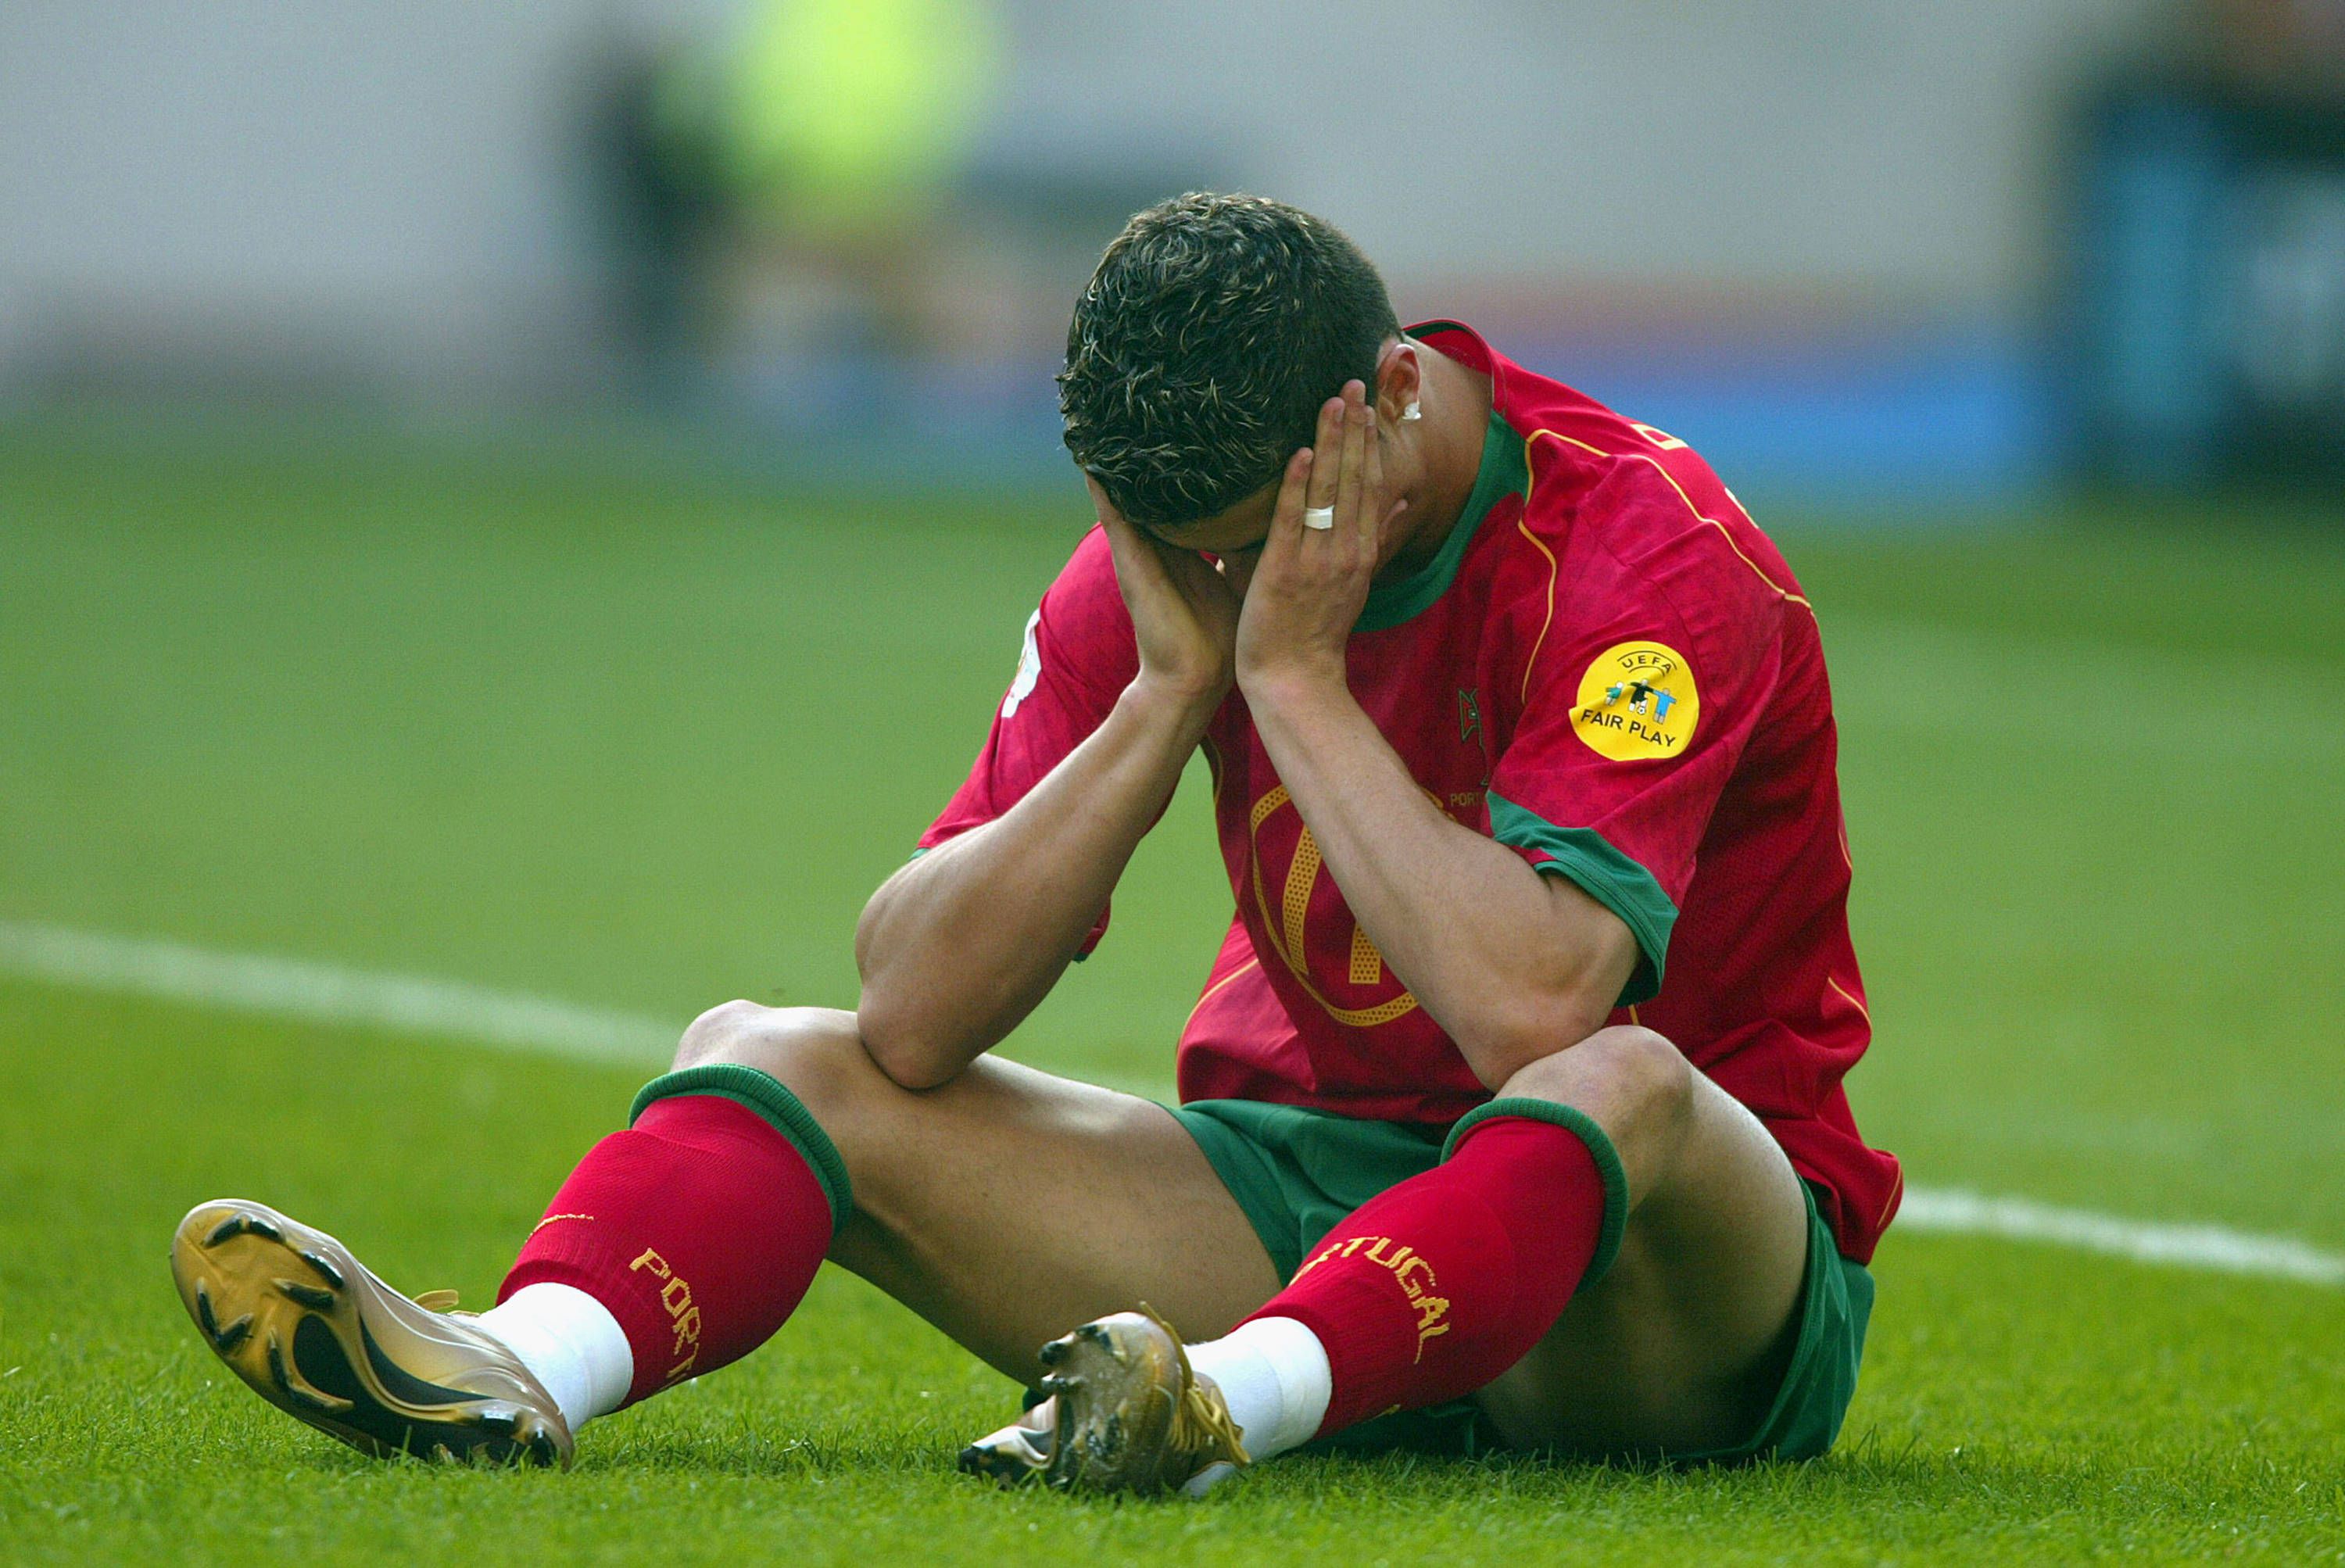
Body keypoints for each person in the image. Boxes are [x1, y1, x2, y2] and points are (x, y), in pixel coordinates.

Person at [170, 193, 1899, 1494]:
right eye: (1173, 551)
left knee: (1616, 1080)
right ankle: (507, 1371)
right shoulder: (1186, 549)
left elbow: (1534, 1012)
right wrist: (1163, 703)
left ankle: (1219, 1410)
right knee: (771, 1052)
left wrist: (1288, 677)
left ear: (1381, 402)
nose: (1213, 582)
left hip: (1662, 1286)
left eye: (1233, 547)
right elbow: (913, 1010)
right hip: (1310, 1206)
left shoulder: (1642, 546)